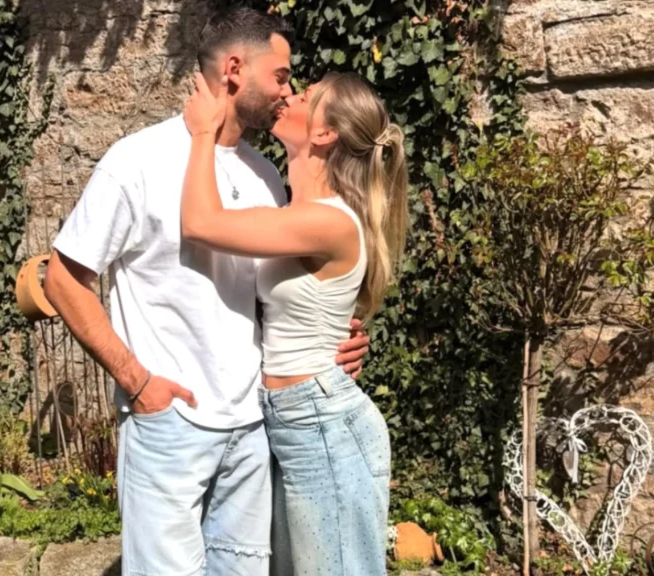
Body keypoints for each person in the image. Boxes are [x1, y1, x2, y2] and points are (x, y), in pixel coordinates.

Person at [42, 7, 370, 576]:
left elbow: (282, 298)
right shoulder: (137, 161)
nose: (287, 91)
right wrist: (136, 381)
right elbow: (64, 280)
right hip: (170, 424)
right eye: (282, 76)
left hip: (250, 430)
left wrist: (333, 342)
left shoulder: (266, 177)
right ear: (236, 69)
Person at [180, 68, 409, 575]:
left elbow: (200, 224)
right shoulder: (297, 208)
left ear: (324, 133)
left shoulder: (326, 219)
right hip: (290, 422)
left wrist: (201, 133)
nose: (287, 95)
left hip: (323, 428)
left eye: (304, 95)